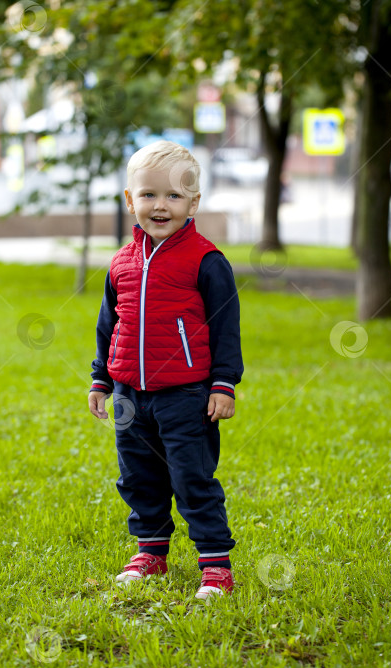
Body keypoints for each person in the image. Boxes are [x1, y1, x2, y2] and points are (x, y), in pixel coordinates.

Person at [88, 140, 244, 600]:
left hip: (186, 394)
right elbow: (108, 325)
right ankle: (151, 551)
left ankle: (215, 564)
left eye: (174, 196)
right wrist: (101, 378)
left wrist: (223, 384)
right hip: (128, 395)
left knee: (191, 477)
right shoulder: (121, 263)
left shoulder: (206, 261)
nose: (161, 206)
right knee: (137, 475)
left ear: (193, 203)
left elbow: (226, 328)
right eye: (150, 194)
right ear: (129, 200)